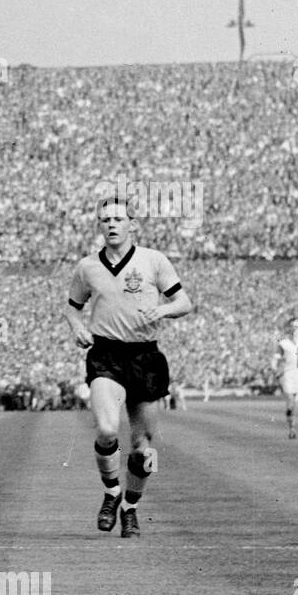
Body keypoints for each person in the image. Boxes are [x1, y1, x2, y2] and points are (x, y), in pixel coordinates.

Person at [64, 195, 192, 538]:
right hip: (106, 355)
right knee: (106, 429)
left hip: (145, 358)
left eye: (118, 219)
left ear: (132, 224)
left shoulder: (154, 260)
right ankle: (111, 494)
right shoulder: (87, 267)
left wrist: (162, 310)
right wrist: (77, 327)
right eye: (105, 219)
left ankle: (131, 508)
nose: (111, 224)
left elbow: (184, 301)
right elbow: (73, 307)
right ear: (99, 225)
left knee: (143, 446)